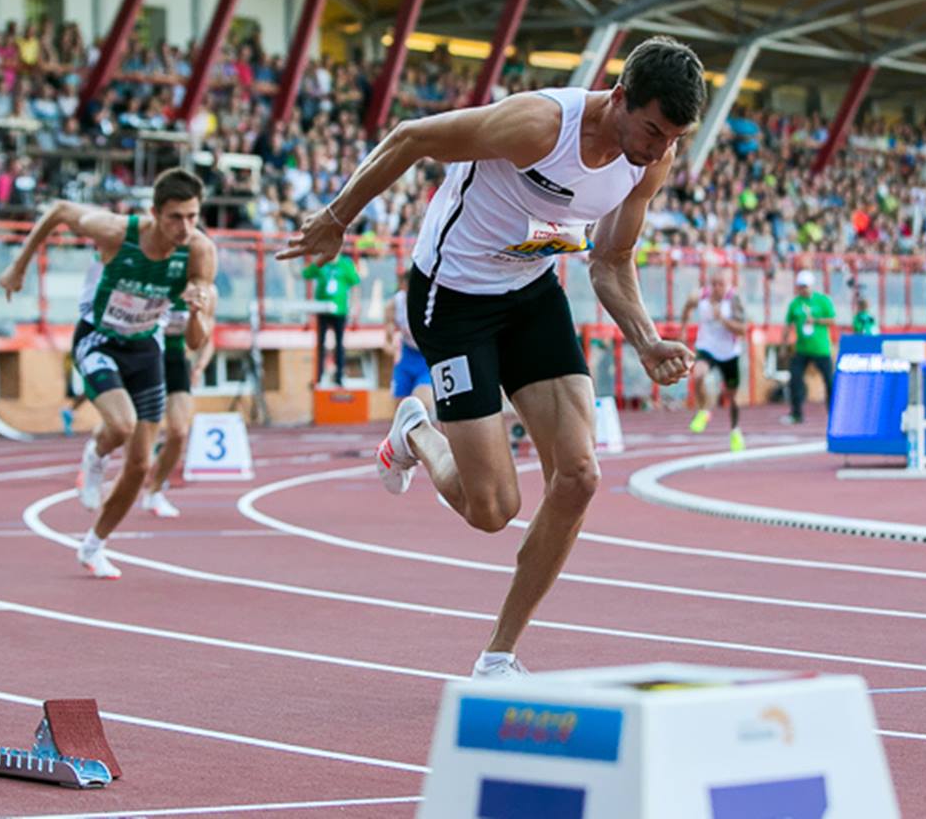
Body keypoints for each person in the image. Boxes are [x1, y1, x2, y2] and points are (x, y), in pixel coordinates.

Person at [279, 35, 704, 678]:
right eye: (650, 130)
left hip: (530, 292)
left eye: (671, 139)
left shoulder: (651, 163)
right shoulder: (539, 124)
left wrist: (645, 339)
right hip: (452, 299)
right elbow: (409, 137)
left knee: (580, 475)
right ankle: (416, 430)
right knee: (492, 509)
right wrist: (339, 216)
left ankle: (499, 654)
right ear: (618, 97)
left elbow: (611, 260)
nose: (654, 150)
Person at [0, 168, 217, 579]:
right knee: (121, 424)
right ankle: (95, 456)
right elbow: (60, 210)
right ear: (154, 213)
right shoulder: (118, 231)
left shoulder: (200, 253)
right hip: (98, 339)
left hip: (145, 348)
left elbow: (194, 341)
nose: (185, 227)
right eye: (175, 218)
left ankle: (94, 545)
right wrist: (19, 266)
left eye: (193, 216)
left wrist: (197, 309)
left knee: (138, 465)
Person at [144, 292, 215, 519]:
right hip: (145, 355)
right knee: (138, 433)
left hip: (175, 357)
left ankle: (155, 490)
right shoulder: (154, 277)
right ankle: (99, 455)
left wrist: (200, 367)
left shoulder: (205, 290)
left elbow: (205, 339)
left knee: (179, 431)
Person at [683, 274, 747, 451]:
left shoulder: (734, 300)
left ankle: (735, 430)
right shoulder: (700, 296)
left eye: (721, 284)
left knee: (732, 397)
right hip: (707, 348)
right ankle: (703, 410)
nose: (718, 288)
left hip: (729, 353)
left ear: (727, 285)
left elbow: (742, 329)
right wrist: (683, 328)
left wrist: (722, 320)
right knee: (698, 374)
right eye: (714, 284)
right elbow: (687, 307)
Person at [782, 269, 837, 425]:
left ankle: (833, 414)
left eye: (805, 286)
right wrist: (784, 345)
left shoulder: (822, 301)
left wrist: (817, 320)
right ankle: (796, 413)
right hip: (802, 349)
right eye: (800, 286)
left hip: (821, 349)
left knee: (829, 381)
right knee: (795, 378)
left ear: (812, 286)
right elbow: (788, 324)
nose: (803, 289)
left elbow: (832, 320)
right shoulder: (795, 303)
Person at [303, 252, 359, 386]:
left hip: (339, 310)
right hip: (323, 309)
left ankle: (339, 376)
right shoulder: (321, 262)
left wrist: (354, 306)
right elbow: (305, 274)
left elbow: (355, 284)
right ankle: (319, 376)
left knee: (339, 344)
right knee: (320, 343)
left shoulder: (345, 264)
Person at [385, 269, 432, 411]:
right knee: (400, 410)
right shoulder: (394, 304)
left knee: (422, 402)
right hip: (406, 356)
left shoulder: (430, 302)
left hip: (426, 358)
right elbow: (387, 340)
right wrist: (392, 347)